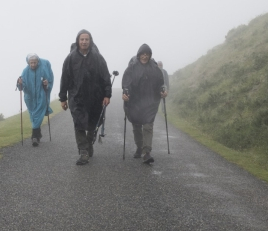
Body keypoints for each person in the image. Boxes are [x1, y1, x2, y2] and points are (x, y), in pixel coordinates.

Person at [59, 30, 112, 165]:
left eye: (86, 39)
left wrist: (107, 94)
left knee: (93, 124)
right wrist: (63, 98)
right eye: (81, 39)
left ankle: (89, 144)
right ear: (78, 41)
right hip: (77, 98)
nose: (84, 42)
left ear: (90, 41)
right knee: (79, 124)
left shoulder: (98, 58)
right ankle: (83, 152)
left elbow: (105, 77)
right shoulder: (70, 58)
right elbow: (64, 78)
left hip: (96, 98)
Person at [122, 44, 167, 164]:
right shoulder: (131, 68)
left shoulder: (155, 69)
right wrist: (125, 93)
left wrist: (162, 90)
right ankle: (139, 147)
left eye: (147, 54)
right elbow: (126, 83)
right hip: (134, 102)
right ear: (139, 55)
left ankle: (147, 152)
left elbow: (160, 83)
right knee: (137, 126)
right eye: (143, 54)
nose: (145, 56)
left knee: (148, 126)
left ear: (150, 55)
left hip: (150, 102)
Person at [17, 54, 54, 147]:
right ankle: (38, 135)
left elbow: (49, 81)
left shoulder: (43, 69)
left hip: (41, 96)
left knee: (37, 115)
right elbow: (21, 87)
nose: (33, 64)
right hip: (30, 98)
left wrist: (46, 83)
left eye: (34, 62)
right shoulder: (25, 71)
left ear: (38, 62)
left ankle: (34, 137)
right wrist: (19, 83)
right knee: (33, 115)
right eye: (31, 63)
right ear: (28, 62)